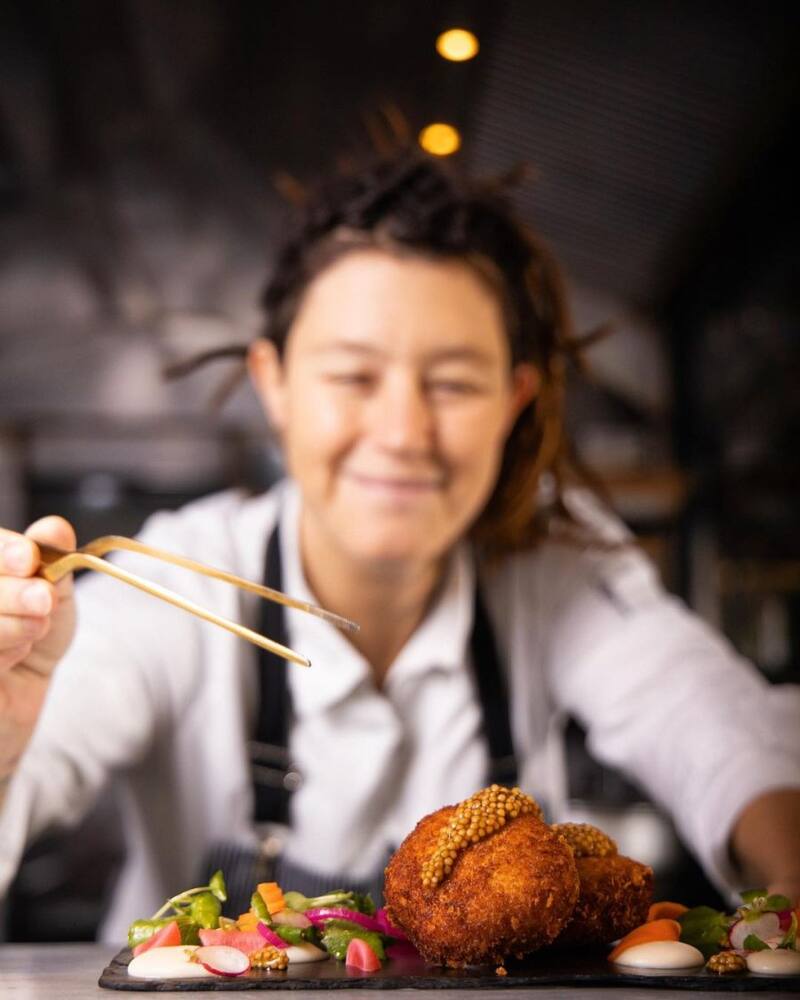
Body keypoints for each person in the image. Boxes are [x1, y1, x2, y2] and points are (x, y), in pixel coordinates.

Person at [0, 152, 798, 943]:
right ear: (273, 384)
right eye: (353, 377)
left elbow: (719, 731)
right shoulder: (172, 581)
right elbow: (43, 746)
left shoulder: (556, 566)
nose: (403, 434)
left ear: (514, 400)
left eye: (452, 383)